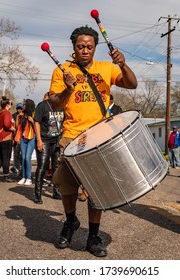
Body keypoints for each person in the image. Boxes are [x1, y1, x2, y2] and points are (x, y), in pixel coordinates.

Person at [49, 25, 137, 257]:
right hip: (71, 136)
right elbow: (54, 103)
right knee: (68, 187)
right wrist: (68, 89)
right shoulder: (62, 70)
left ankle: (93, 236)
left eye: (89, 46)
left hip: (99, 137)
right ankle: (70, 223)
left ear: (95, 47)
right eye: (80, 46)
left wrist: (122, 64)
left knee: (95, 190)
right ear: (74, 47)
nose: (85, 50)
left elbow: (132, 84)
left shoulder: (106, 68)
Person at [34, 92, 63, 204]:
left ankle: (56, 192)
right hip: (44, 140)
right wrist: (39, 140)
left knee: (56, 167)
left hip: (57, 140)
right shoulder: (43, 105)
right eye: (54, 94)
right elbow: (37, 122)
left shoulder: (63, 106)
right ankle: (38, 194)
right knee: (42, 166)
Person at [17, 99, 36, 186]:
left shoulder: (34, 115)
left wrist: (32, 121)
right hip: (23, 138)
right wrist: (18, 117)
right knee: (23, 158)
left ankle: (29, 178)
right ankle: (24, 177)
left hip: (31, 137)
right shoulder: (22, 116)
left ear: (28, 106)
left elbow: (37, 128)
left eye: (24, 104)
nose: (22, 106)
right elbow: (19, 128)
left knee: (28, 157)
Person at [11, 103, 23, 177]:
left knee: (23, 155)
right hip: (16, 138)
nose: (20, 110)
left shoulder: (25, 115)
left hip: (24, 138)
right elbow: (13, 127)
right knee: (16, 154)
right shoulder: (14, 115)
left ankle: (21, 169)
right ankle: (16, 168)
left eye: (21, 108)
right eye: (18, 108)